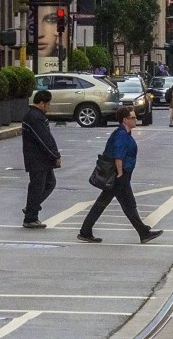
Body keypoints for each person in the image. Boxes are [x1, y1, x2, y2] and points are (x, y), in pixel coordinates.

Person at [77, 107, 163, 243]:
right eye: (133, 118)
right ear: (125, 120)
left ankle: (85, 231)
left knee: (103, 203)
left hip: (118, 175)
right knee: (129, 205)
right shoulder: (121, 135)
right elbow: (118, 156)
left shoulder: (124, 133)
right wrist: (121, 173)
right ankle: (143, 232)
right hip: (118, 175)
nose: (136, 120)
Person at [20, 91, 61, 229]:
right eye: (48, 104)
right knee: (37, 187)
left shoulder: (36, 116)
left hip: (41, 159)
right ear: (42, 103)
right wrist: (55, 155)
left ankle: (32, 207)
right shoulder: (35, 118)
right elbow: (44, 139)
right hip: (37, 159)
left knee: (49, 183)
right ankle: (31, 216)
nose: (49, 107)